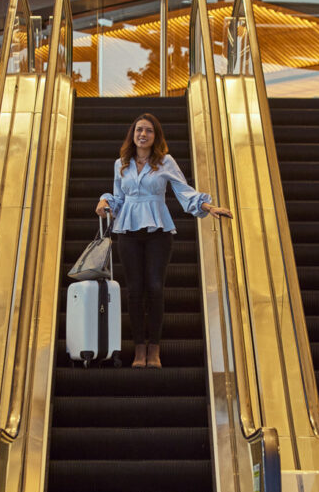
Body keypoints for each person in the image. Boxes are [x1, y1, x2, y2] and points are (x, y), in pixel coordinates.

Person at [95, 113, 232, 369]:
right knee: (135, 291)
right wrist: (105, 202)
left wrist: (208, 206)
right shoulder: (121, 164)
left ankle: (154, 349)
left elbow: (183, 190)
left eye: (148, 131)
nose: (143, 135)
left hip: (158, 230)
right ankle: (139, 349)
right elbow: (118, 196)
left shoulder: (165, 161)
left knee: (155, 288)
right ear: (132, 134)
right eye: (139, 130)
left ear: (155, 136)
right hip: (128, 232)